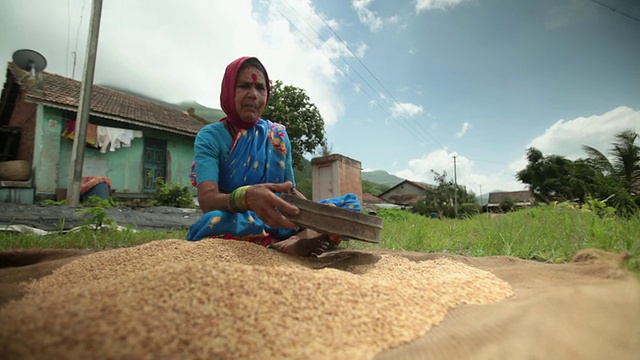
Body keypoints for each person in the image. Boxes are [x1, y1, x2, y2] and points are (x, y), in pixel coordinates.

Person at [187, 56, 360, 256]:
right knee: (212, 222)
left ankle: (292, 238)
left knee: (348, 207)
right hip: (240, 220)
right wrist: (246, 197)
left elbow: (290, 191)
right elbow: (207, 201)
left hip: (280, 217)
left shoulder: (277, 135)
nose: (253, 95)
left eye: (260, 88)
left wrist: (315, 213)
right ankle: (280, 244)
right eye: (244, 86)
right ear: (228, 90)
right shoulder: (210, 136)